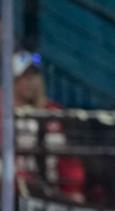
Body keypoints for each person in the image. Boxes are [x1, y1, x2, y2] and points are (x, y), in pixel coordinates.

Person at [8, 51, 86, 202]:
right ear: (14, 81)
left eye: (35, 76)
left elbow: (68, 159)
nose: (31, 83)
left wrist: (73, 190)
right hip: (12, 192)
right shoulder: (4, 110)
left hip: (51, 191)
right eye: (25, 77)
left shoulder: (54, 113)